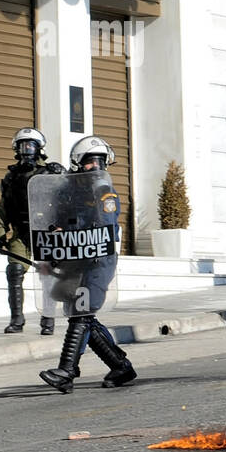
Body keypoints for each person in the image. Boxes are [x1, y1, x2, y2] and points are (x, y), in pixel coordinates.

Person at [38, 136, 137, 393]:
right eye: (90, 162)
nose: (96, 167)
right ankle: (120, 366)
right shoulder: (68, 192)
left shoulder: (105, 192)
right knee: (80, 313)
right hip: (74, 261)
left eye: (100, 162)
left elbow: (104, 223)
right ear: (77, 164)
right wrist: (51, 250)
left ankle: (67, 371)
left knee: (81, 313)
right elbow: (57, 222)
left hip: (98, 261)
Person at [0, 127, 62, 336]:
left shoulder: (51, 173)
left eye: (31, 145)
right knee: (14, 271)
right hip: (20, 231)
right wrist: (0, 234)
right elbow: (3, 207)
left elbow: (67, 198)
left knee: (47, 275)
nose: (27, 150)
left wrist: (63, 174)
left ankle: (48, 320)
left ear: (39, 148)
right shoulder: (10, 177)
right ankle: (17, 320)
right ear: (17, 148)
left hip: (45, 231)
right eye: (23, 146)